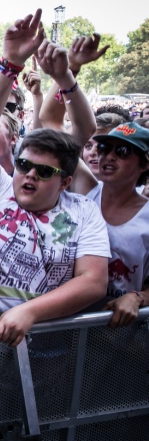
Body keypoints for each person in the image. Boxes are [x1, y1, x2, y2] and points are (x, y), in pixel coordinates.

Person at [0, 10, 110, 347]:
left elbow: (93, 282)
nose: (29, 174)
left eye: (44, 172)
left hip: (47, 346)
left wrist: (30, 313)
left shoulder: (83, 210)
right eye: (24, 165)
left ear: (66, 182)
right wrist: (10, 62)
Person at [69, 122, 149, 327]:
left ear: (144, 164)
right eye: (104, 148)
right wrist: (65, 89)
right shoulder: (87, 190)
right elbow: (51, 119)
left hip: (120, 333)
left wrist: (138, 297)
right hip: (70, 322)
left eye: (122, 151)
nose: (109, 156)